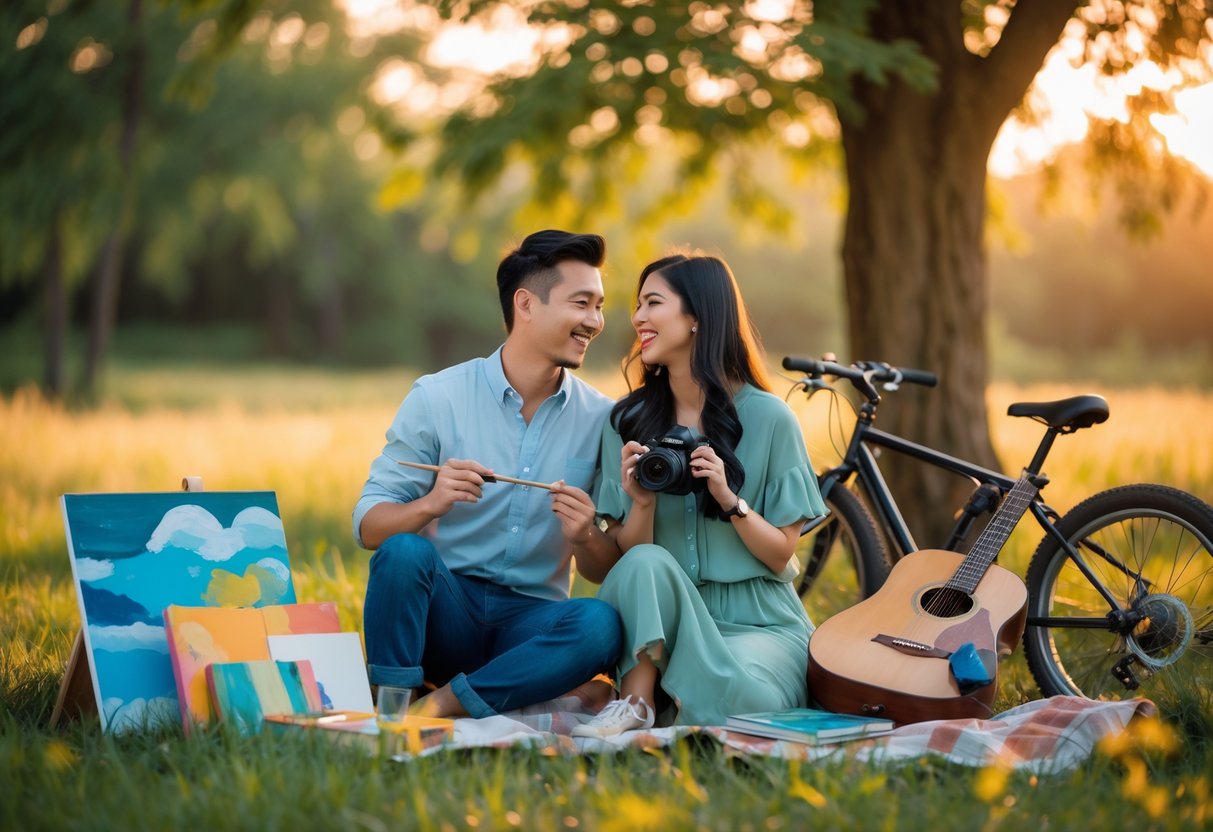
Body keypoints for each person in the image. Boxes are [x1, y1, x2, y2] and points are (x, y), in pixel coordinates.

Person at [354, 229, 624, 719]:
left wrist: (585, 535)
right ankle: (392, 710)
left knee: (598, 621)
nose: (595, 321)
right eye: (581, 303)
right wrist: (430, 504)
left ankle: (443, 706)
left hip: (529, 629)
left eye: (599, 306)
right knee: (403, 553)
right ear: (526, 304)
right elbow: (368, 527)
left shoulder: (603, 420)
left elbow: (600, 570)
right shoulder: (438, 396)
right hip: (446, 613)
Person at [572, 253, 826, 737]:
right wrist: (641, 502)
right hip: (664, 627)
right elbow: (630, 563)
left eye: (653, 303)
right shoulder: (625, 423)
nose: (638, 318)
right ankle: (638, 702)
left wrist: (730, 500)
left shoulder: (771, 419)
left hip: (759, 625)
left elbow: (781, 554)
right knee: (645, 561)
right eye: (638, 305)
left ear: (696, 318)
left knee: (754, 704)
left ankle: (674, 694)